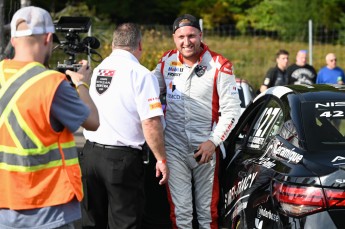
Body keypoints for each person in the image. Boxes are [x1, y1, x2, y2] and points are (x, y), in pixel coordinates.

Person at [0, 6, 99, 229]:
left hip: (5, 204)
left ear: (13, 40)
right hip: (48, 207)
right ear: (47, 38)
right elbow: (92, 121)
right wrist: (82, 83)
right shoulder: (52, 83)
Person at [152, 14, 242, 229]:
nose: (186, 42)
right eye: (181, 37)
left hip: (206, 148)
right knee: (180, 212)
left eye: (191, 36)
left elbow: (232, 110)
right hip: (174, 147)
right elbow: (147, 91)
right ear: (174, 38)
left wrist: (214, 141)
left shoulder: (220, 64)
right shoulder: (166, 61)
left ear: (200, 35)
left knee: (207, 213)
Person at [81, 23, 169, 229]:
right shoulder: (141, 74)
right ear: (139, 45)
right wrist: (161, 159)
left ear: (113, 44)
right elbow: (151, 121)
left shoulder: (99, 70)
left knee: (92, 222)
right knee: (124, 222)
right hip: (121, 160)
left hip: (90, 155)